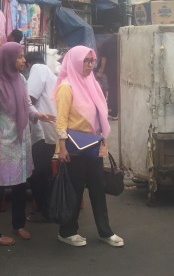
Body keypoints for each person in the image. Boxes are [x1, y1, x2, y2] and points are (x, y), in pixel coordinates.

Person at [0, 42, 54, 245]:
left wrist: (38, 115)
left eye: (23, 56)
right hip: (3, 144)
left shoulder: (21, 79)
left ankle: (19, 224)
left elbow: (28, 104)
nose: (24, 60)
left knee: (21, 185)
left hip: (22, 142)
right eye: (20, 57)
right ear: (8, 59)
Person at [53, 45, 123, 248]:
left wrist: (102, 142)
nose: (91, 64)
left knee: (98, 189)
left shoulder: (92, 83)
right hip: (73, 148)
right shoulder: (66, 87)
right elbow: (61, 120)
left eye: (92, 60)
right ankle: (66, 232)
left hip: (93, 146)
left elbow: (99, 117)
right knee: (74, 190)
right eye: (86, 61)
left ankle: (105, 231)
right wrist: (62, 147)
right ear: (75, 61)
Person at [25, 52, 58, 223]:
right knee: (42, 169)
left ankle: (45, 209)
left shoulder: (37, 69)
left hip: (44, 128)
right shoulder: (49, 72)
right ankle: (46, 207)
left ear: (30, 63)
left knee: (38, 171)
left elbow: (29, 98)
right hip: (49, 127)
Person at [97, 25, 119, 119]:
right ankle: (117, 111)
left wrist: (101, 71)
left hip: (111, 70)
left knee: (113, 90)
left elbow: (104, 58)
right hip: (124, 69)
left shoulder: (107, 42)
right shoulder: (123, 41)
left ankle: (114, 111)